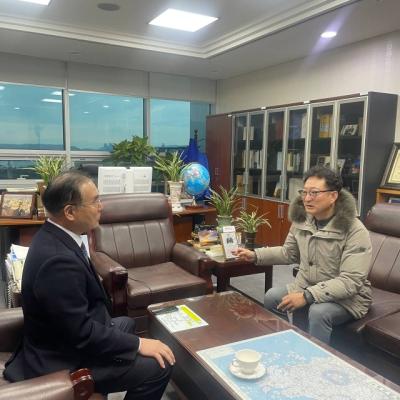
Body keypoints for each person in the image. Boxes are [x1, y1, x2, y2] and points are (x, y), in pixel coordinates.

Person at [4, 171, 175, 399]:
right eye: (94, 201)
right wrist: (137, 344)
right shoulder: (57, 261)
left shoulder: (56, 235)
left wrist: (132, 342)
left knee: (125, 323)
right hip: (63, 357)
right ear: (70, 212)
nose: (101, 206)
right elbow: (80, 333)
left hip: (66, 336)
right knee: (159, 366)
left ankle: (100, 388)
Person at [234, 166, 372, 344]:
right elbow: (288, 253)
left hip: (348, 298)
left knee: (318, 311)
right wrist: (255, 255)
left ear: (333, 196)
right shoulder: (303, 220)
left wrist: (307, 296)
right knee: (272, 297)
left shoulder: (354, 230)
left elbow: (350, 281)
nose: (307, 199)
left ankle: (315, 360)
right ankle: (286, 343)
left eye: (314, 193)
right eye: (304, 192)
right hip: (307, 285)